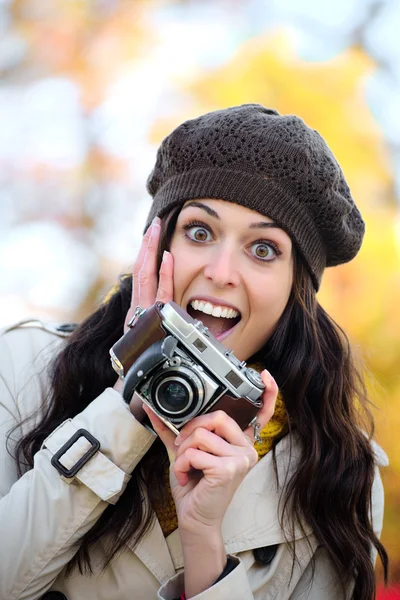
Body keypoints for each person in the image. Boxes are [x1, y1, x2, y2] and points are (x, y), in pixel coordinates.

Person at [0, 104, 389, 600]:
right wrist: (126, 402)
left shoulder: (337, 473)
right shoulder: (22, 369)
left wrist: (205, 542)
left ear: (295, 289)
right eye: (200, 233)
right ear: (155, 247)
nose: (222, 271)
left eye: (263, 249)